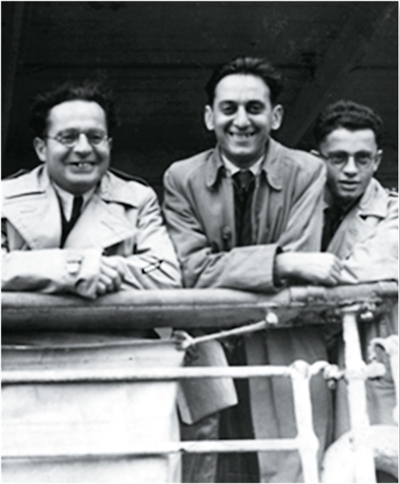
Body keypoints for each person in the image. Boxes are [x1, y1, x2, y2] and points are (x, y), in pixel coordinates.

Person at [163, 56, 339, 483]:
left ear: (275, 117)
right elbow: (190, 270)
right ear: (210, 117)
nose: (241, 121)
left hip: (285, 346)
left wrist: (280, 267)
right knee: (210, 467)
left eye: (254, 108)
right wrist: (279, 263)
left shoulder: (307, 171)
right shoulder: (181, 177)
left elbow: (302, 266)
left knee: (292, 466)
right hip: (210, 349)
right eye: (229, 108)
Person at [2, 81, 182, 305]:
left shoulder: (137, 200)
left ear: (109, 145)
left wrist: (103, 269)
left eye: (95, 137)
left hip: (112, 327)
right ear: (41, 149)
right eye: (68, 137)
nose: (83, 148)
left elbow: (161, 270)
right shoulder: (4, 198)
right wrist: (76, 269)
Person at [312, 100, 398, 482]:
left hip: (371, 355)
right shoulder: (300, 209)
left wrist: (291, 272)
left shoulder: (394, 212)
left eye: (362, 158)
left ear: (377, 161)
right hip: (314, 356)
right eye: (338, 158)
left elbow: (360, 273)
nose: (350, 169)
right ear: (318, 159)